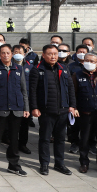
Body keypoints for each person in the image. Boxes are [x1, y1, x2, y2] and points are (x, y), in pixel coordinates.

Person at [29, 45, 76, 176]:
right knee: (44, 138)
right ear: (43, 55)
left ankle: (60, 164)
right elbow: (32, 91)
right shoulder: (37, 70)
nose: (53, 56)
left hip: (63, 110)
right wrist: (34, 107)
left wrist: (72, 105)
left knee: (60, 139)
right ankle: (44, 164)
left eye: (55, 54)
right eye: (50, 54)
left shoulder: (64, 68)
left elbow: (70, 88)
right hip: (46, 111)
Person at [0, 44, 30, 176]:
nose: (5, 55)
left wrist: (26, 108)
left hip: (16, 109)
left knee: (14, 139)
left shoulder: (19, 68)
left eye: (8, 53)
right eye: (2, 53)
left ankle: (14, 165)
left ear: (11, 54)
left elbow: (23, 90)